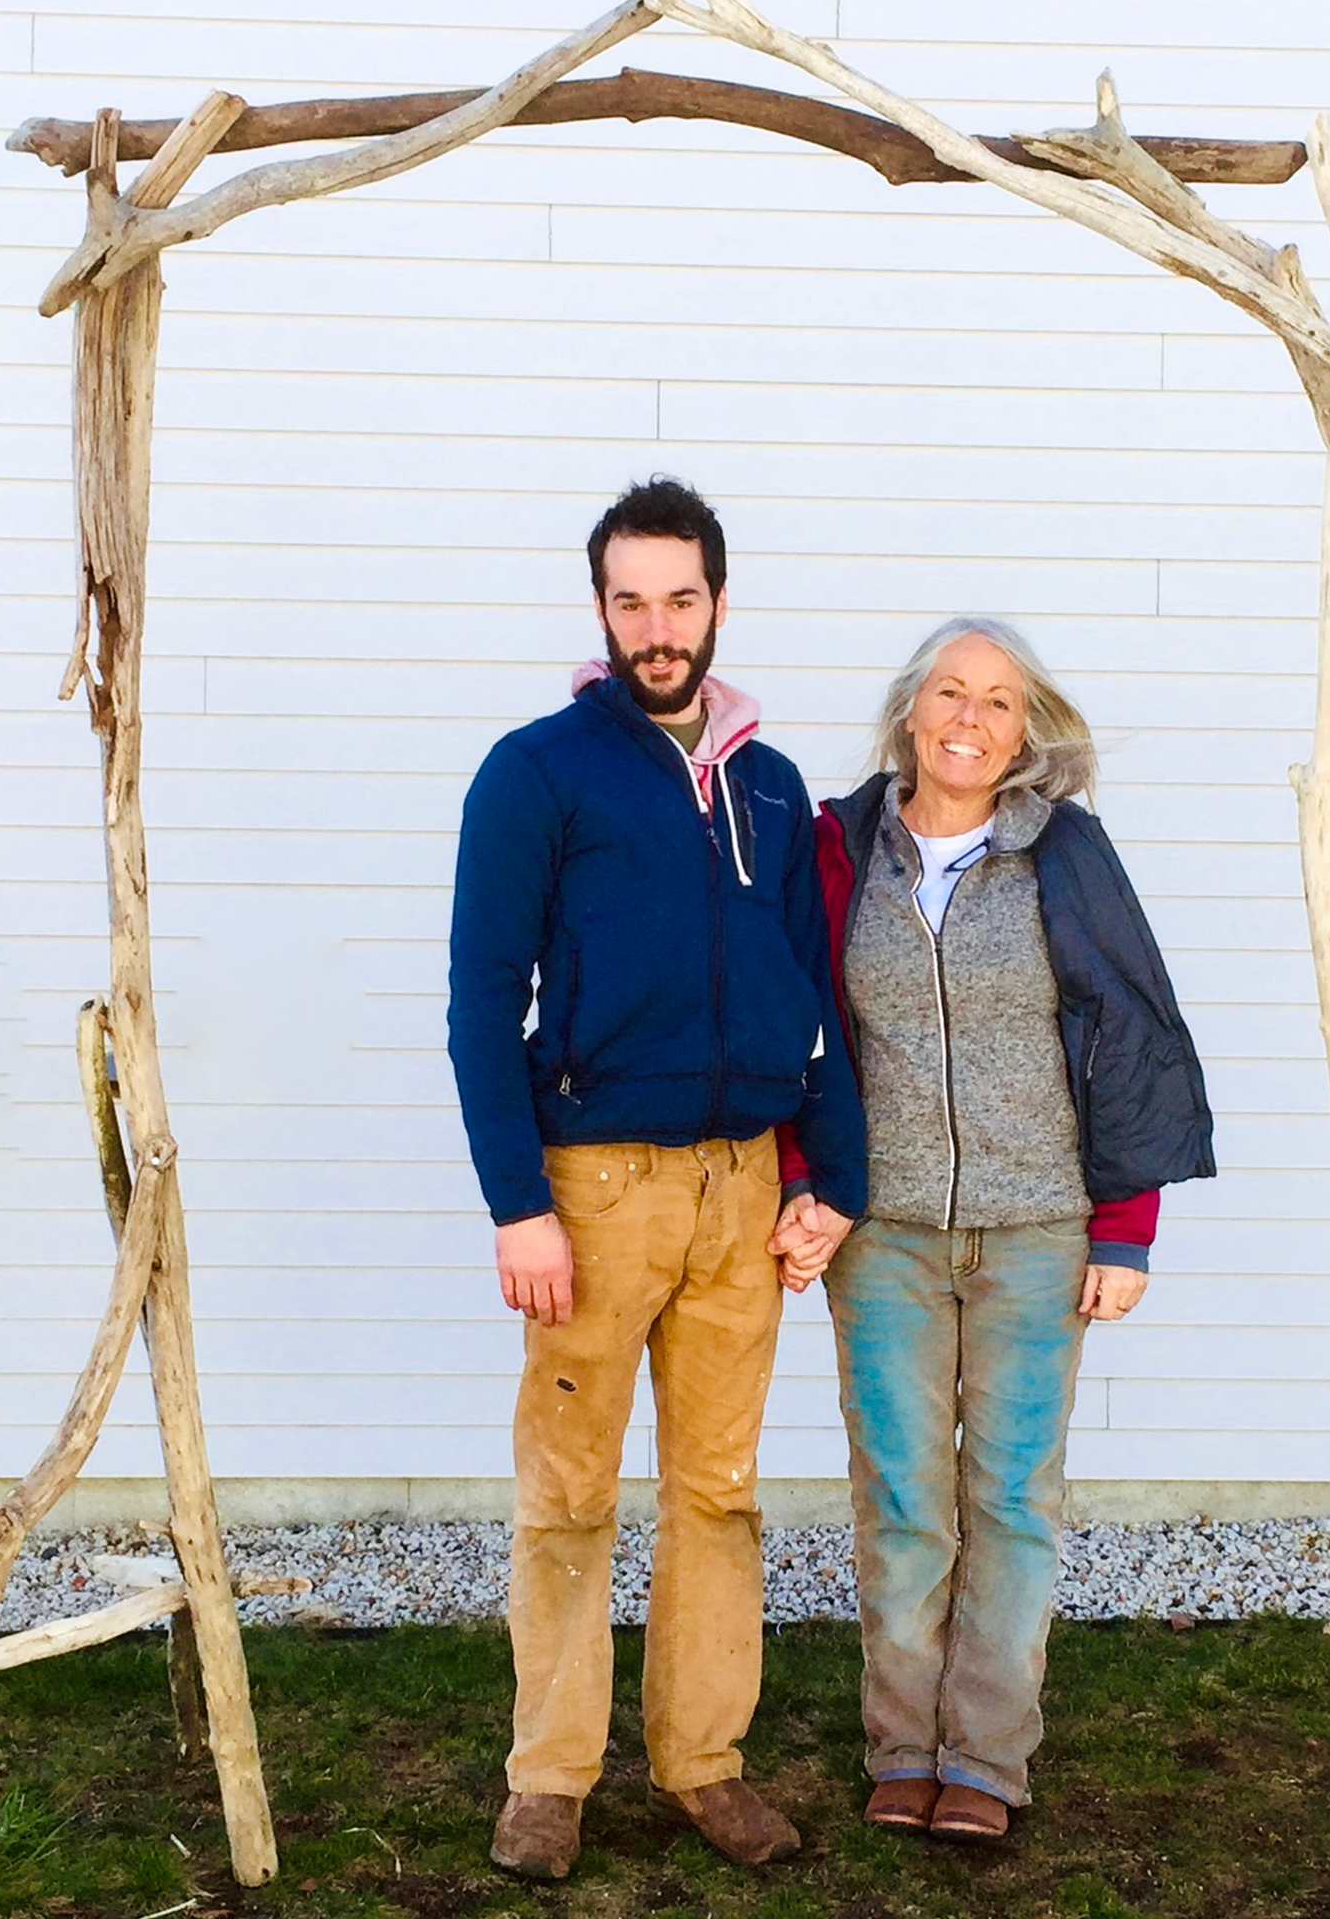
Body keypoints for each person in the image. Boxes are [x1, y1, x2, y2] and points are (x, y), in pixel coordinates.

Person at [447, 476, 866, 1882]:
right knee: (568, 1492)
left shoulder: (767, 781)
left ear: (719, 602)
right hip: (594, 1189)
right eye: (631, 599)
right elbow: (478, 998)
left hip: (742, 1191)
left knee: (719, 1491)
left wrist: (835, 1177)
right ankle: (552, 1779)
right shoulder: (538, 772)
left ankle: (704, 1764)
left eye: (681, 597)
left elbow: (819, 993)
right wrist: (520, 1204)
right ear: (601, 610)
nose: (657, 625)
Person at [773, 616, 1213, 1841]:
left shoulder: (1063, 853)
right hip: (884, 1235)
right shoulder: (836, 847)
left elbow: (1125, 1028)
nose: (970, 718)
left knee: (1012, 1498)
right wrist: (803, 1182)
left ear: (1026, 728)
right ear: (910, 710)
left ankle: (984, 1757)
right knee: (903, 1499)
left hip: (1038, 1232)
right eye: (949, 692)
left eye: (999, 702)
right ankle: (900, 1743)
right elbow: (800, 1028)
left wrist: (1124, 1229)